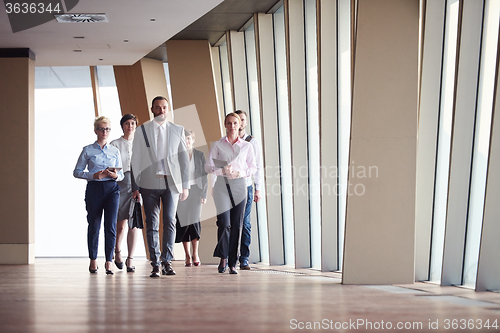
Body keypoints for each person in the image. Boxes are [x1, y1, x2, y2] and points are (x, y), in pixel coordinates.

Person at [131, 96, 190, 278]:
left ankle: (167, 262)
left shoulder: (177, 130)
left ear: (168, 109)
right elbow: (135, 160)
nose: (162, 110)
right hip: (148, 183)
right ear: (152, 109)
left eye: (164, 107)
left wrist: (185, 186)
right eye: (158, 108)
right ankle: (155, 263)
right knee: (152, 224)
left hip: (171, 183)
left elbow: (183, 160)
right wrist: (135, 186)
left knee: (170, 222)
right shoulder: (142, 131)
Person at [205, 113, 256, 274]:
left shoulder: (247, 146)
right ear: (225, 125)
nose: (232, 126)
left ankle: (233, 263)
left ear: (240, 124)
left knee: (237, 225)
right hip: (222, 186)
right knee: (224, 223)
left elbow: (253, 167)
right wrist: (222, 170)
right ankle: (223, 257)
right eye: (229, 123)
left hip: (240, 186)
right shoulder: (218, 145)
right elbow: (208, 167)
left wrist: (240, 173)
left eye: (235, 123)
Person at [73, 116, 124, 275]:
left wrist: (115, 176)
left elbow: (121, 175)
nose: (104, 132)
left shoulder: (115, 150)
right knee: (94, 225)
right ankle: (93, 260)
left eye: (107, 129)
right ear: (95, 130)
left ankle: (109, 261)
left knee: (110, 226)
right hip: (94, 189)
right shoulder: (87, 149)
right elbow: (77, 172)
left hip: (112, 189)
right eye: (101, 129)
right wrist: (93, 176)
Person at [110, 114, 139, 272]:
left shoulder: (140, 143)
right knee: (120, 225)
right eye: (127, 123)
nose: (130, 126)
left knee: (133, 224)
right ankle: (117, 251)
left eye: (133, 123)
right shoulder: (115, 144)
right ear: (122, 126)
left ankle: (131, 258)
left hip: (137, 185)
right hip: (120, 184)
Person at [234, 110, 263, 270]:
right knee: (231, 224)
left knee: (245, 223)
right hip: (230, 187)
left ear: (245, 122)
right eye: (238, 120)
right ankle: (230, 257)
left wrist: (258, 188)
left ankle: (244, 258)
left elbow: (258, 166)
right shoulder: (227, 142)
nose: (240, 123)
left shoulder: (252, 142)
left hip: (246, 186)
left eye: (243, 120)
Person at [175, 129, 208, 267]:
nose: (187, 141)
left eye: (189, 139)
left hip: (196, 190)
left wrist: (204, 194)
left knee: (194, 221)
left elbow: (205, 175)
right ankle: (187, 255)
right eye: (185, 139)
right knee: (183, 222)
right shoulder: (177, 155)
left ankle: (195, 253)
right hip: (181, 191)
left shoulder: (199, 155)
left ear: (193, 140)